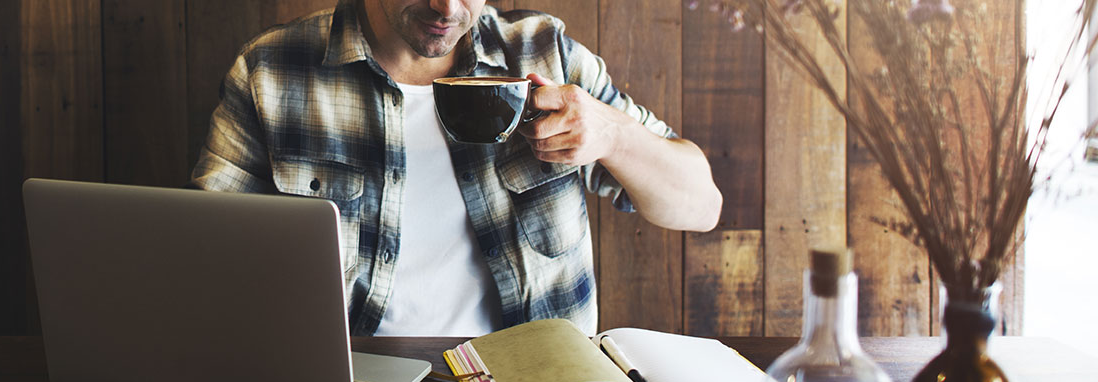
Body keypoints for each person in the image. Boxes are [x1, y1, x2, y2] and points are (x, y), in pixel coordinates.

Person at [189, 0, 722, 337]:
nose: (447, 7)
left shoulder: (544, 53)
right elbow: (206, 260)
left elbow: (701, 205)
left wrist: (613, 134)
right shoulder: (271, 71)